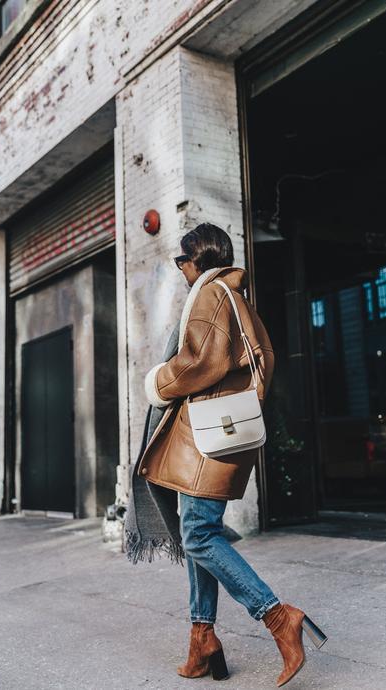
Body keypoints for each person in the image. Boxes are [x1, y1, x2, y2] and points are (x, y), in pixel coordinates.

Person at [133, 223, 327, 687]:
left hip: (207, 436)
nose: (180, 269)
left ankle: (279, 617)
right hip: (221, 434)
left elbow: (202, 362)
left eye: (182, 260)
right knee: (198, 529)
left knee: (198, 535)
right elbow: (261, 359)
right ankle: (203, 640)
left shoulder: (210, 294)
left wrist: (158, 382)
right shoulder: (237, 297)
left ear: (196, 259)